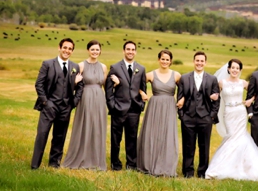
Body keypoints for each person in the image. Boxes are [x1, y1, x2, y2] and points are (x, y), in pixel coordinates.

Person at [206, 59, 258, 182]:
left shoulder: (243, 83)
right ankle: (226, 166)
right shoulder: (221, 83)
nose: (235, 70)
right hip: (229, 113)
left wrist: (250, 100)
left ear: (240, 70)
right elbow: (214, 94)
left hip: (240, 112)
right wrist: (214, 96)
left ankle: (245, 167)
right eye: (233, 68)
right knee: (231, 137)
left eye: (237, 68)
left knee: (241, 138)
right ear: (228, 69)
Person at [31, 38, 84, 169]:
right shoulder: (48, 64)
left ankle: (54, 163)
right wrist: (45, 102)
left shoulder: (75, 67)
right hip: (49, 106)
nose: (67, 51)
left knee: (60, 136)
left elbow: (80, 87)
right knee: (42, 134)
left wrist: (74, 103)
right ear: (59, 48)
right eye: (65, 47)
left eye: (70, 49)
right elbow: (39, 84)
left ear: (72, 51)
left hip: (66, 107)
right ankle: (35, 164)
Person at [136, 49, 183, 177]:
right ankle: (149, 162)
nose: (165, 61)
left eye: (167, 59)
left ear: (171, 61)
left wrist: (182, 99)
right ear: (158, 59)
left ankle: (166, 165)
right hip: (154, 106)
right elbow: (136, 84)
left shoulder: (176, 75)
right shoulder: (151, 75)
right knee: (153, 133)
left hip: (169, 106)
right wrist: (142, 93)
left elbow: (186, 89)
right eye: (163, 59)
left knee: (167, 134)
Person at [62, 40, 107, 170]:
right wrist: (74, 82)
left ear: (100, 51)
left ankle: (95, 159)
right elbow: (71, 84)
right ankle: (80, 157)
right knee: (85, 126)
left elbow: (105, 86)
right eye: (92, 49)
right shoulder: (81, 65)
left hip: (99, 99)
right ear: (88, 50)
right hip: (85, 98)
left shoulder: (103, 67)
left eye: (97, 50)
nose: (95, 52)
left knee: (97, 128)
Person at [105, 40, 147, 171]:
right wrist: (112, 106)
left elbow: (143, 88)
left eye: (133, 49)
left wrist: (141, 105)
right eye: (128, 49)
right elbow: (108, 89)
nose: (130, 52)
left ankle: (131, 164)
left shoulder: (141, 69)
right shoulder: (115, 67)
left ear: (135, 51)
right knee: (116, 139)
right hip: (118, 108)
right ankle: (115, 164)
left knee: (132, 138)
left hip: (134, 110)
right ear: (124, 51)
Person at [177, 51, 220, 178]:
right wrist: (182, 116)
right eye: (197, 60)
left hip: (205, 118)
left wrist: (211, 116)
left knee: (204, 147)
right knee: (188, 146)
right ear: (193, 61)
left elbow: (217, 99)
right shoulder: (184, 78)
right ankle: (188, 172)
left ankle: (202, 172)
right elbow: (179, 98)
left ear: (205, 63)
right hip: (188, 117)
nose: (199, 63)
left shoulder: (212, 79)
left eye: (202, 61)